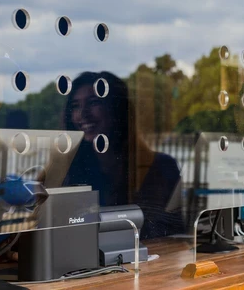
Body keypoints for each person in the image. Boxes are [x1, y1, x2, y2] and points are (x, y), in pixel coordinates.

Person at [61, 71, 185, 239]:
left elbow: (161, 232)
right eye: (75, 106)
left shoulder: (160, 167)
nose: (82, 114)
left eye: (94, 102)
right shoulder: (69, 168)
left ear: (117, 109)